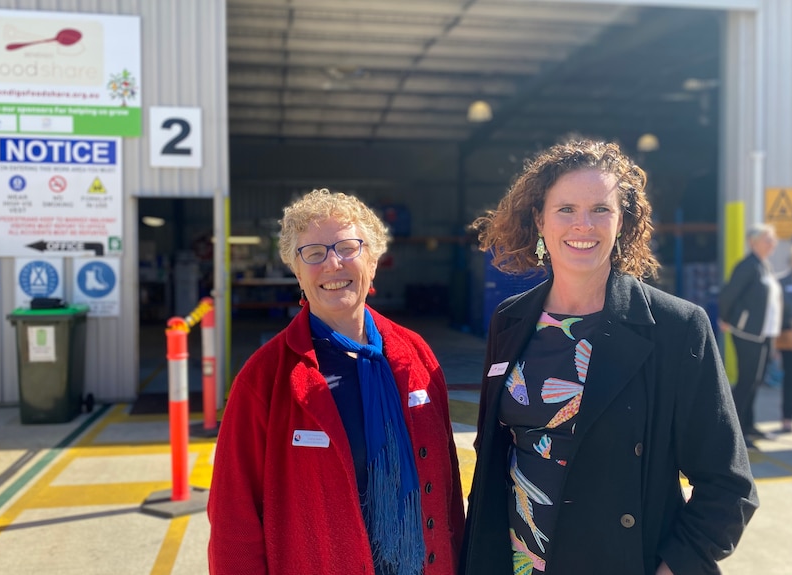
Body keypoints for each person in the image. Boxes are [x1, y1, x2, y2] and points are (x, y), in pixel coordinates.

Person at [460, 139, 757, 575]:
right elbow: (491, 459)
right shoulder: (510, 319)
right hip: (516, 563)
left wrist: (674, 567)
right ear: (539, 220)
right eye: (566, 209)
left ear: (623, 222)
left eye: (601, 209)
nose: (583, 224)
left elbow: (729, 485)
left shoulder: (676, 327)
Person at [207, 188, 465, 575]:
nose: (332, 264)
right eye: (313, 253)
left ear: (373, 260)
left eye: (348, 247)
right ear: (296, 270)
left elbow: (446, 491)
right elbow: (233, 517)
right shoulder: (265, 379)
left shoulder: (416, 355)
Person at [718, 223, 782, 445]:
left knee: (756, 381)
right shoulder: (747, 266)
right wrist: (725, 319)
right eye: (768, 239)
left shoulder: (765, 266)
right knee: (747, 381)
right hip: (747, 333)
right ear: (754, 242)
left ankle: (750, 425)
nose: (773, 243)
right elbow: (728, 294)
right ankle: (735, 430)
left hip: (765, 334)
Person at [776, 243, 792, 433]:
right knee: (790, 377)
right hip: (789, 337)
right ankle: (786, 417)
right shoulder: (781, 282)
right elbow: (776, 311)